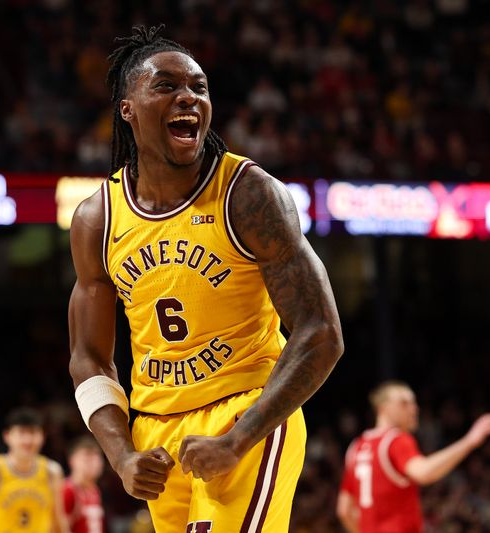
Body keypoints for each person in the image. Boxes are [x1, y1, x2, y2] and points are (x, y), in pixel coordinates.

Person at [68, 25, 344, 532]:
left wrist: (239, 439)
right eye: (166, 86)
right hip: (156, 433)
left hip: (245, 413)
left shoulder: (248, 194)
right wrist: (121, 455)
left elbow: (321, 331)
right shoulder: (98, 218)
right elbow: (88, 358)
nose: (188, 97)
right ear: (127, 109)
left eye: (199, 87)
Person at [336, 381, 490, 533]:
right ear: (382, 408)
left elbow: (344, 510)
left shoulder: (356, 447)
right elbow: (423, 472)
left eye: (414, 403)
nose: (414, 409)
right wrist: (469, 441)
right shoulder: (396, 440)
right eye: (404, 403)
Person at [0, 407, 69, 533]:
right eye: (21, 433)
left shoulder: (52, 472)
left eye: (33, 433)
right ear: (7, 436)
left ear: (43, 436)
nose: (28, 440)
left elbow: (59, 524)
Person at [63, 437, 105, 533]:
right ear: (72, 461)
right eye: (87, 458)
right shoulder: (67, 490)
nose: (93, 462)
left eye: (96, 457)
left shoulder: (95, 490)